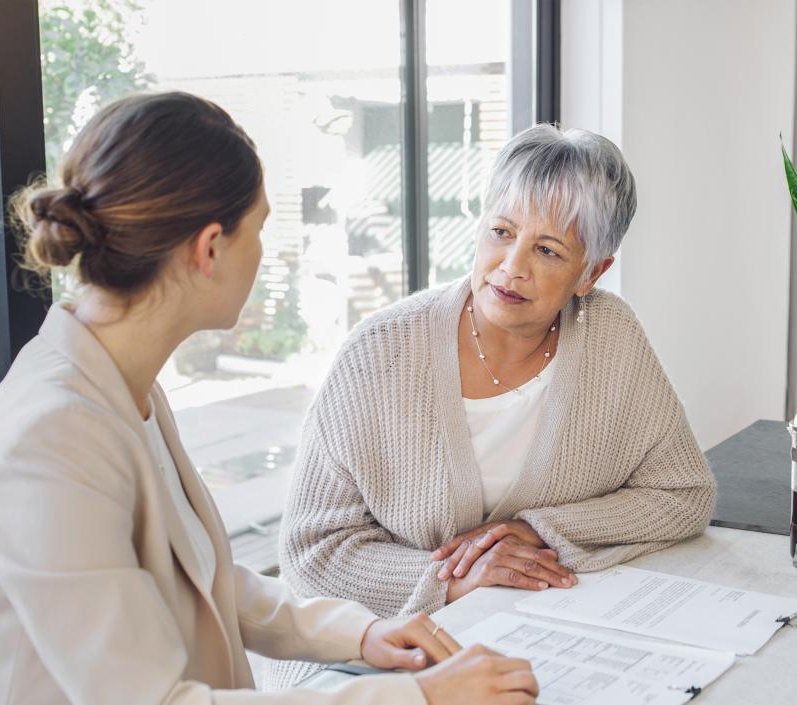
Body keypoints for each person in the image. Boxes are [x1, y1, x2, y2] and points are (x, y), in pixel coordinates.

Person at [0, 92, 537, 705]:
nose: (262, 251)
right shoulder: (49, 442)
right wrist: (423, 697)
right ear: (210, 249)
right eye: (260, 228)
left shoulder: (118, 386)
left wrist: (362, 634)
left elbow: (200, 576)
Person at [269, 124, 715, 688]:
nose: (512, 266)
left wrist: (537, 530)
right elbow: (311, 556)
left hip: (536, 639)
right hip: (368, 660)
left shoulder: (612, 336)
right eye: (501, 232)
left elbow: (683, 493)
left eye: (548, 250)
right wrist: (454, 581)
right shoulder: (379, 353)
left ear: (591, 272)